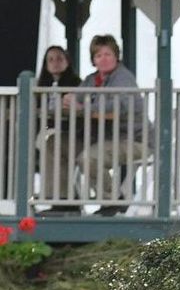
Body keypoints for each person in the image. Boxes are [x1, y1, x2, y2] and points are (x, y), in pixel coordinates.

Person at [65, 35, 150, 216]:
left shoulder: (123, 78)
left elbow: (117, 108)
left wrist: (82, 107)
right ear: (93, 60)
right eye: (98, 56)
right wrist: (65, 100)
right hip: (104, 140)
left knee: (89, 158)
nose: (103, 59)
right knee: (55, 144)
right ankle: (61, 201)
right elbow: (72, 99)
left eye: (108, 54)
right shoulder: (91, 80)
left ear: (116, 56)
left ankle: (112, 201)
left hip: (135, 141)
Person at [36, 45, 83, 214]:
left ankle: (60, 199)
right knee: (43, 142)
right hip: (47, 131)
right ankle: (59, 198)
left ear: (67, 62)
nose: (55, 63)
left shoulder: (76, 83)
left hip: (69, 133)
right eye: (51, 59)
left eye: (59, 59)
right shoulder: (40, 86)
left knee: (50, 144)